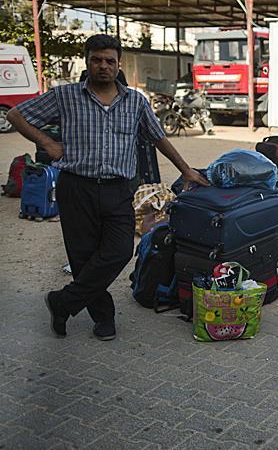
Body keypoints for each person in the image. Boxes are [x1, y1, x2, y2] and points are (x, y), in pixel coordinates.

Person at [7, 34, 209, 340]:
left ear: (119, 64)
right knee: (83, 258)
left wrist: (186, 170)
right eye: (96, 60)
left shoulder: (135, 102)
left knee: (119, 251)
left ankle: (63, 301)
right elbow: (15, 115)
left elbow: (158, 137)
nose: (103, 66)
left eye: (109, 61)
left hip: (117, 189)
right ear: (87, 62)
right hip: (76, 187)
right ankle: (104, 318)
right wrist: (47, 143)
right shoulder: (65, 96)